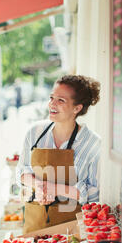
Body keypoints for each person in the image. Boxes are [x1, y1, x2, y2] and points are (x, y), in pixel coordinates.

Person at [16, 75, 101, 233]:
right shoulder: (35, 133)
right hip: (35, 227)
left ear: (77, 108)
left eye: (61, 100)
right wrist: (39, 186)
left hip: (73, 232)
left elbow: (94, 194)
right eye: (51, 97)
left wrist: (55, 189)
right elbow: (22, 171)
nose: (52, 104)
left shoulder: (92, 144)